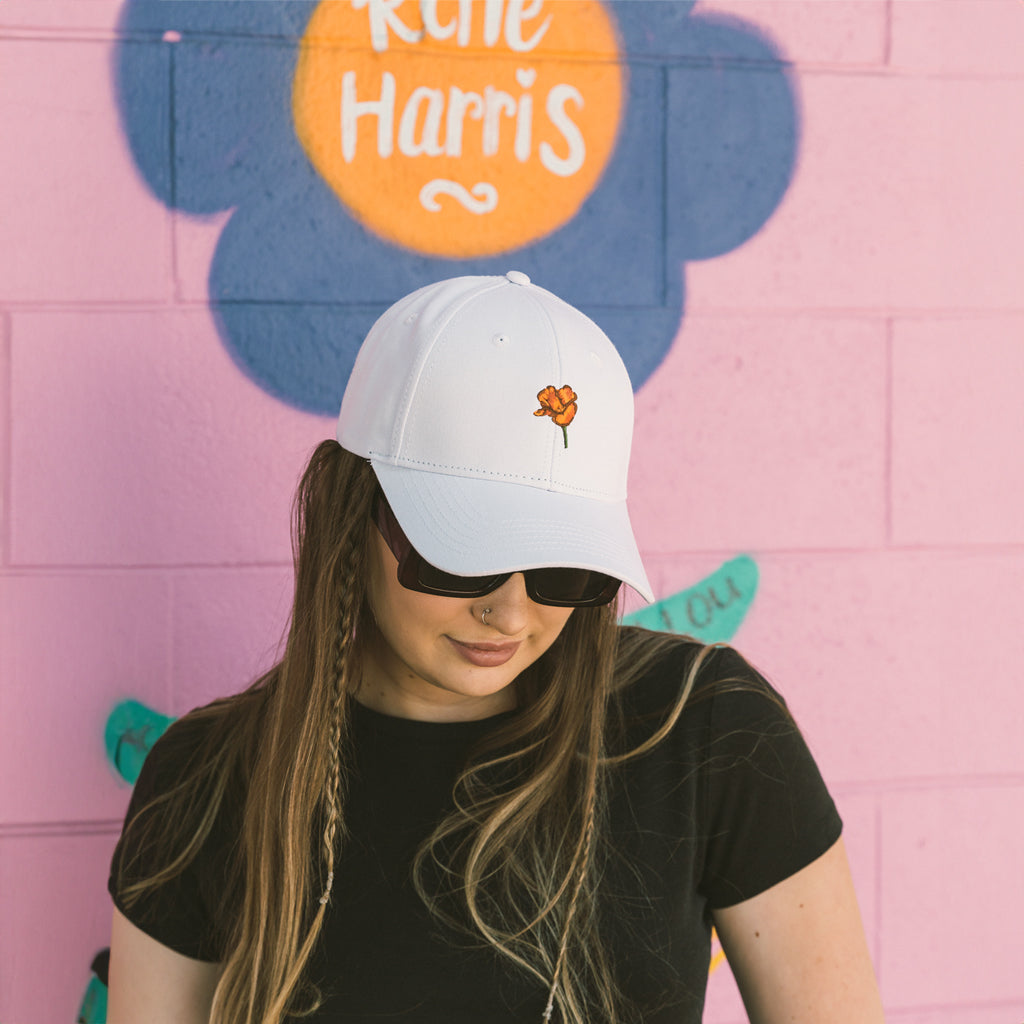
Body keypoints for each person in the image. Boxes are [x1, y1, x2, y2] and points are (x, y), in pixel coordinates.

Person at [107, 272, 885, 1024]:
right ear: (352, 513)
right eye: (462, 553)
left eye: (564, 567)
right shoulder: (206, 781)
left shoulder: (702, 730)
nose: (509, 613)